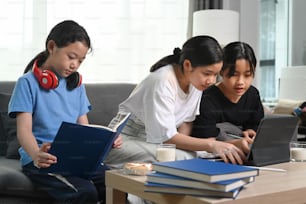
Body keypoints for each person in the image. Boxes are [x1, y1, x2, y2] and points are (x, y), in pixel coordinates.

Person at [8, 20, 122, 204]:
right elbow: (24, 131)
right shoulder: (27, 83)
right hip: (44, 160)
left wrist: (105, 139)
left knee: (118, 182)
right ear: (52, 46)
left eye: (80, 60)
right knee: (85, 192)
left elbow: (84, 128)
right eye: (71, 57)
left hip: (74, 158)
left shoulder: (76, 85)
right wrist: (36, 154)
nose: (75, 65)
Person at [105, 35, 247, 169]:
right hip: (124, 140)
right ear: (187, 65)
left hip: (158, 141)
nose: (212, 81)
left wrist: (227, 145)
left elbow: (186, 122)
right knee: (186, 158)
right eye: (207, 73)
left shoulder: (196, 83)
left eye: (215, 74)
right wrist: (211, 144)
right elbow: (167, 138)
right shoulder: (162, 81)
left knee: (203, 156)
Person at [192, 41, 264, 162]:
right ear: (221, 71)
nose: (241, 82)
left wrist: (250, 132)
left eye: (247, 75)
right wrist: (236, 143)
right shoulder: (207, 98)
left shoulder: (253, 94)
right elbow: (206, 142)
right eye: (234, 75)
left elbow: (257, 125)